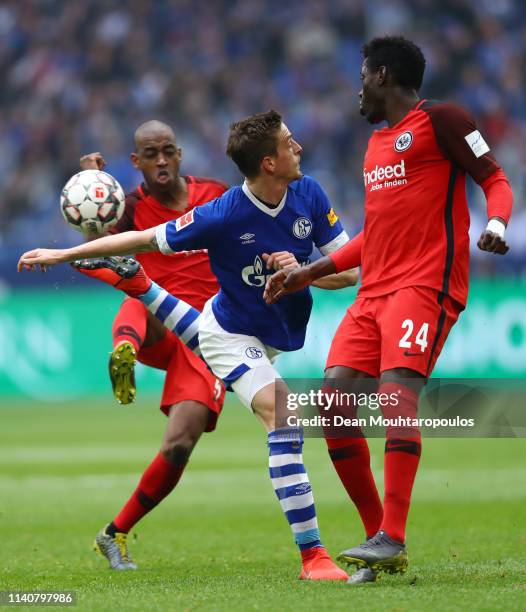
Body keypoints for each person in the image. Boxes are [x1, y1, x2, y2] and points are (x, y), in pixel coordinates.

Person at [18, 110, 357, 581]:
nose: (298, 147)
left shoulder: (307, 193)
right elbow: (135, 235)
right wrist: (62, 252)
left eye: (168, 150)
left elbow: (351, 269)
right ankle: (314, 557)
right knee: (281, 414)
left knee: (178, 320)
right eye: (289, 142)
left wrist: (304, 271)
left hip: (252, 329)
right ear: (268, 162)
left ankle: (140, 285)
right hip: (228, 332)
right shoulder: (221, 212)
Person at [263, 36, 513, 584]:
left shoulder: (443, 120)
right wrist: (309, 271)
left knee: (396, 392)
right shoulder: (376, 146)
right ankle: (381, 537)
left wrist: (496, 224)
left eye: (361, 76)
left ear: (381, 75)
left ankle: (393, 535)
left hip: (424, 284)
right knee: (333, 405)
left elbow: (493, 176)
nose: (357, 89)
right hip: (372, 292)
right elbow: (376, 233)